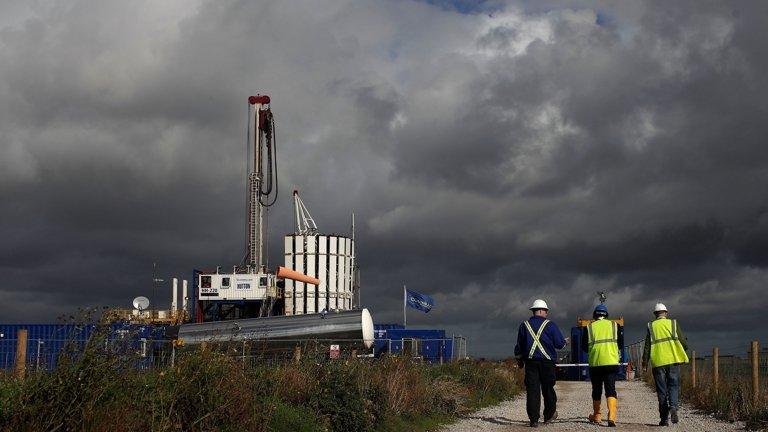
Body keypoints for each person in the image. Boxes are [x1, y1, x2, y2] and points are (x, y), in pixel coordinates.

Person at [514, 299, 568, 428]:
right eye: (546, 311)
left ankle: (533, 420)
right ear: (541, 310)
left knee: (532, 391)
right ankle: (549, 415)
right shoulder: (550, 325)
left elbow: (519, 348)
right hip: (547, 363)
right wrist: (565, 342)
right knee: (548, 389)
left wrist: (520, 362)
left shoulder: (524, 325)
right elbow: (559, 344)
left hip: (531, 363)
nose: (546, 314)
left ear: (533, 311)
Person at [642, 303, 689, 426]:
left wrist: (644, 363)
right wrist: (685, 347)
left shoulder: (651, 326)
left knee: (662, 391)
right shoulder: (673, 323)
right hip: (672, 360)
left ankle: (664, 419)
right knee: (673, 386)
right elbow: (682, 341)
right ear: (666, 313)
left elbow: (647, 346)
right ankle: (673, 407)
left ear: (655, 314)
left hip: (658, 363)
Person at [581, 304, 622, 427]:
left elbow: (584, 347)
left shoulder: (589, 328)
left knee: (597, 389)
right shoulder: (616, 326)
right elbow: (619, 344)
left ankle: (597, 415)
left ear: (595, 315)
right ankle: (612, 417)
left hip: (596, 363)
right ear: (606, 315)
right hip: (611, 362)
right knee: (611, 389)